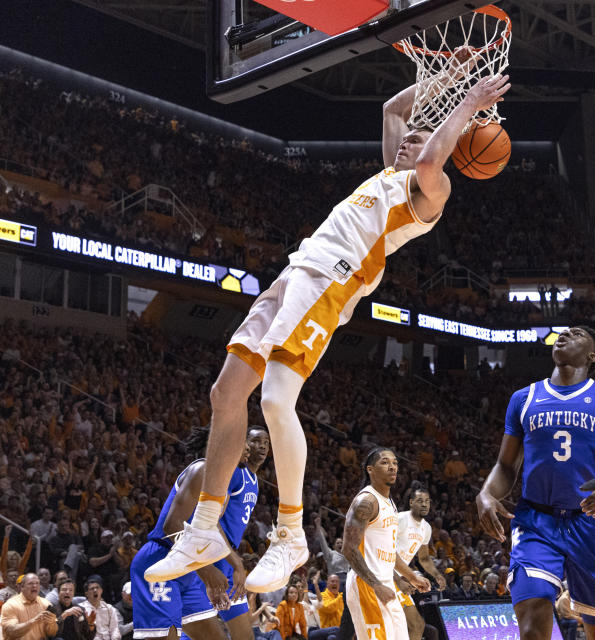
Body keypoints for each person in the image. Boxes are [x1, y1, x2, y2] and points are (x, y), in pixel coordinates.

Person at [144, 55, 511, 593]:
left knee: (274, 401)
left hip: (332, 281)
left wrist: (469, 106)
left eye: (424, 138)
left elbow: (433, 160)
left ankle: (289, 534)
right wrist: (450, 77)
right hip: (298, 270)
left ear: (447, 150)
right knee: (226, 393)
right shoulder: (390, 173)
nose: (412, 139)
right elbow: (393, 108)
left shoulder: (427, 195)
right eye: (413, 138)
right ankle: (204, 527)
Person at [476, 326, 595, 640]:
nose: (565, 334)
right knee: (531, 627)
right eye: (564, 332)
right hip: (536, 522)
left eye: (577, 334)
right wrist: (486, 494)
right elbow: (505, 466)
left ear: (592, 356)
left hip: (589, 524)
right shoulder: (523, 399)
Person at [132, 426, 270, 640]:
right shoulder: (203, 470)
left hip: (188, 569)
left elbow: (212, 526)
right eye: (243, 440)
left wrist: (235, 563)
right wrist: (207, 573)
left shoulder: (220, 480)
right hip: (162, 559)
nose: (248, 447)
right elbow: (172, 526)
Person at [343, 448, 430, 640]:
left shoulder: (389, 503)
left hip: (387, 584)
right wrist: (375, 585)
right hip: (367, 585)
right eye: (384, 462)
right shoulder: (366, 501)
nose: (392, 467)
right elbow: (348, 549)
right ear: (370, 469)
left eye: (395, 463)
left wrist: (411, 576)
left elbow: (390, 552)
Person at [396, 482, 446, 640]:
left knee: (417, 625)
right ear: (411, 502)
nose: (424, 504)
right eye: (420, 500)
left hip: (400, 577)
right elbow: (385, 551)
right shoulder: (400, 519)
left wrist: (437, 574)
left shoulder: (427, 528)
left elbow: (423, 558)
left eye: (427, 501)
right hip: (384, 575)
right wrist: (409, 577)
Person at [0, 572, 59, 640]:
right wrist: (33, 621)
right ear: (22, 587)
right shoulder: (11, 604)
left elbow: (52, 633)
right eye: (30, 583)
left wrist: (52, 624)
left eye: (37, 583)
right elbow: (11, 632)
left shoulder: (46, 603)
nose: (35, 586)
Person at [308, 574, 342, 640]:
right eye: (332, 581)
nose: (335, 583)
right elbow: (328, 608)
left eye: (336, 581)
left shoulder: (341, 597)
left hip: (339, 633)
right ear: (327, 583)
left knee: (332, 638)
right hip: (326, 631)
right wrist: (341, 597)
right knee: (333, 634)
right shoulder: (322, 596)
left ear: (339, 584)